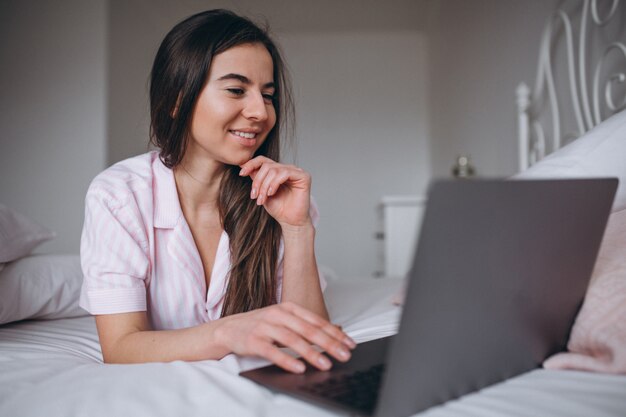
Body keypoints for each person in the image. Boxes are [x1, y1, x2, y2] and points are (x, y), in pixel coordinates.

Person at [79, 9, 355, 374]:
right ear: (178, 99)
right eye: (236, 90)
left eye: (268, 95)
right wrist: (226, 333)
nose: (260, 112)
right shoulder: (119, 195)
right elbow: (121, 346)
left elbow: (309, 339)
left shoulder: (279, 198)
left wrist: (298, 229)